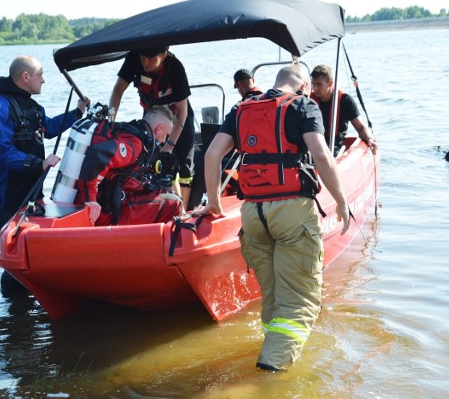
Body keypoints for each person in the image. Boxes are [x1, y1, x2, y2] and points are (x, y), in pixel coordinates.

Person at [196, 64, 351, 372]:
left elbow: (211, 154)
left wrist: (213, 203)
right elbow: (321, 156)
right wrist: (341, 202)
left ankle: (274, 347)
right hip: (291, 213)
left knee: (275, 296)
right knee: (299, 302)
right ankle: (271, 375)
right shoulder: (304, 105)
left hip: (253, 214)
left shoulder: (242, 109)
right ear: (305, 86)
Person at [0, 55, 90, 296]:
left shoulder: (33, 107)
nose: (44, 80)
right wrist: (39, 164)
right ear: (25, 77)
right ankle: (13, 314)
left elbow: (48, 128)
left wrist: (77, 113)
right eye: (40, 74)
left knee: (30, 254)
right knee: (12, 262)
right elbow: (3, 153)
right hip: (8, 194)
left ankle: (34, 302)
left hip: (32, 193)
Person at [108, 46, 195, 209]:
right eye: (142, 59)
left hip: (177, 117)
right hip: (153, 115)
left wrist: (170, 145)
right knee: (155, 163)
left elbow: (182, 112)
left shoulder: (175, 67)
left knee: (183, 165)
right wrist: (110, 122)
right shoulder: (133, 58)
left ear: (162, 56)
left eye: (150, 59)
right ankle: (165, 207)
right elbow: (118, 90)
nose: (145, 63)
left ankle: (185, 211)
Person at [75, 105, 182, 226]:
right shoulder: (135, 144)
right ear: (159, 129)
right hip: (109, 213)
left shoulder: (128, 132)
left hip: (109, 204)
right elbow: (98, 154)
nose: (163, 141)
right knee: (174, 203)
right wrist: (89, 200)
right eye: (166, 135)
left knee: (159, 193)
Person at [309, 64, 378, 155]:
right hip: (312, 148)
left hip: (335, 148)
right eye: (313, 84)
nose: (315, 88)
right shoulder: (308, 101)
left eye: (319, 84)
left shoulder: (345, 101)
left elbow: (361, 128)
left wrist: (369, 139)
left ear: (330, 83)